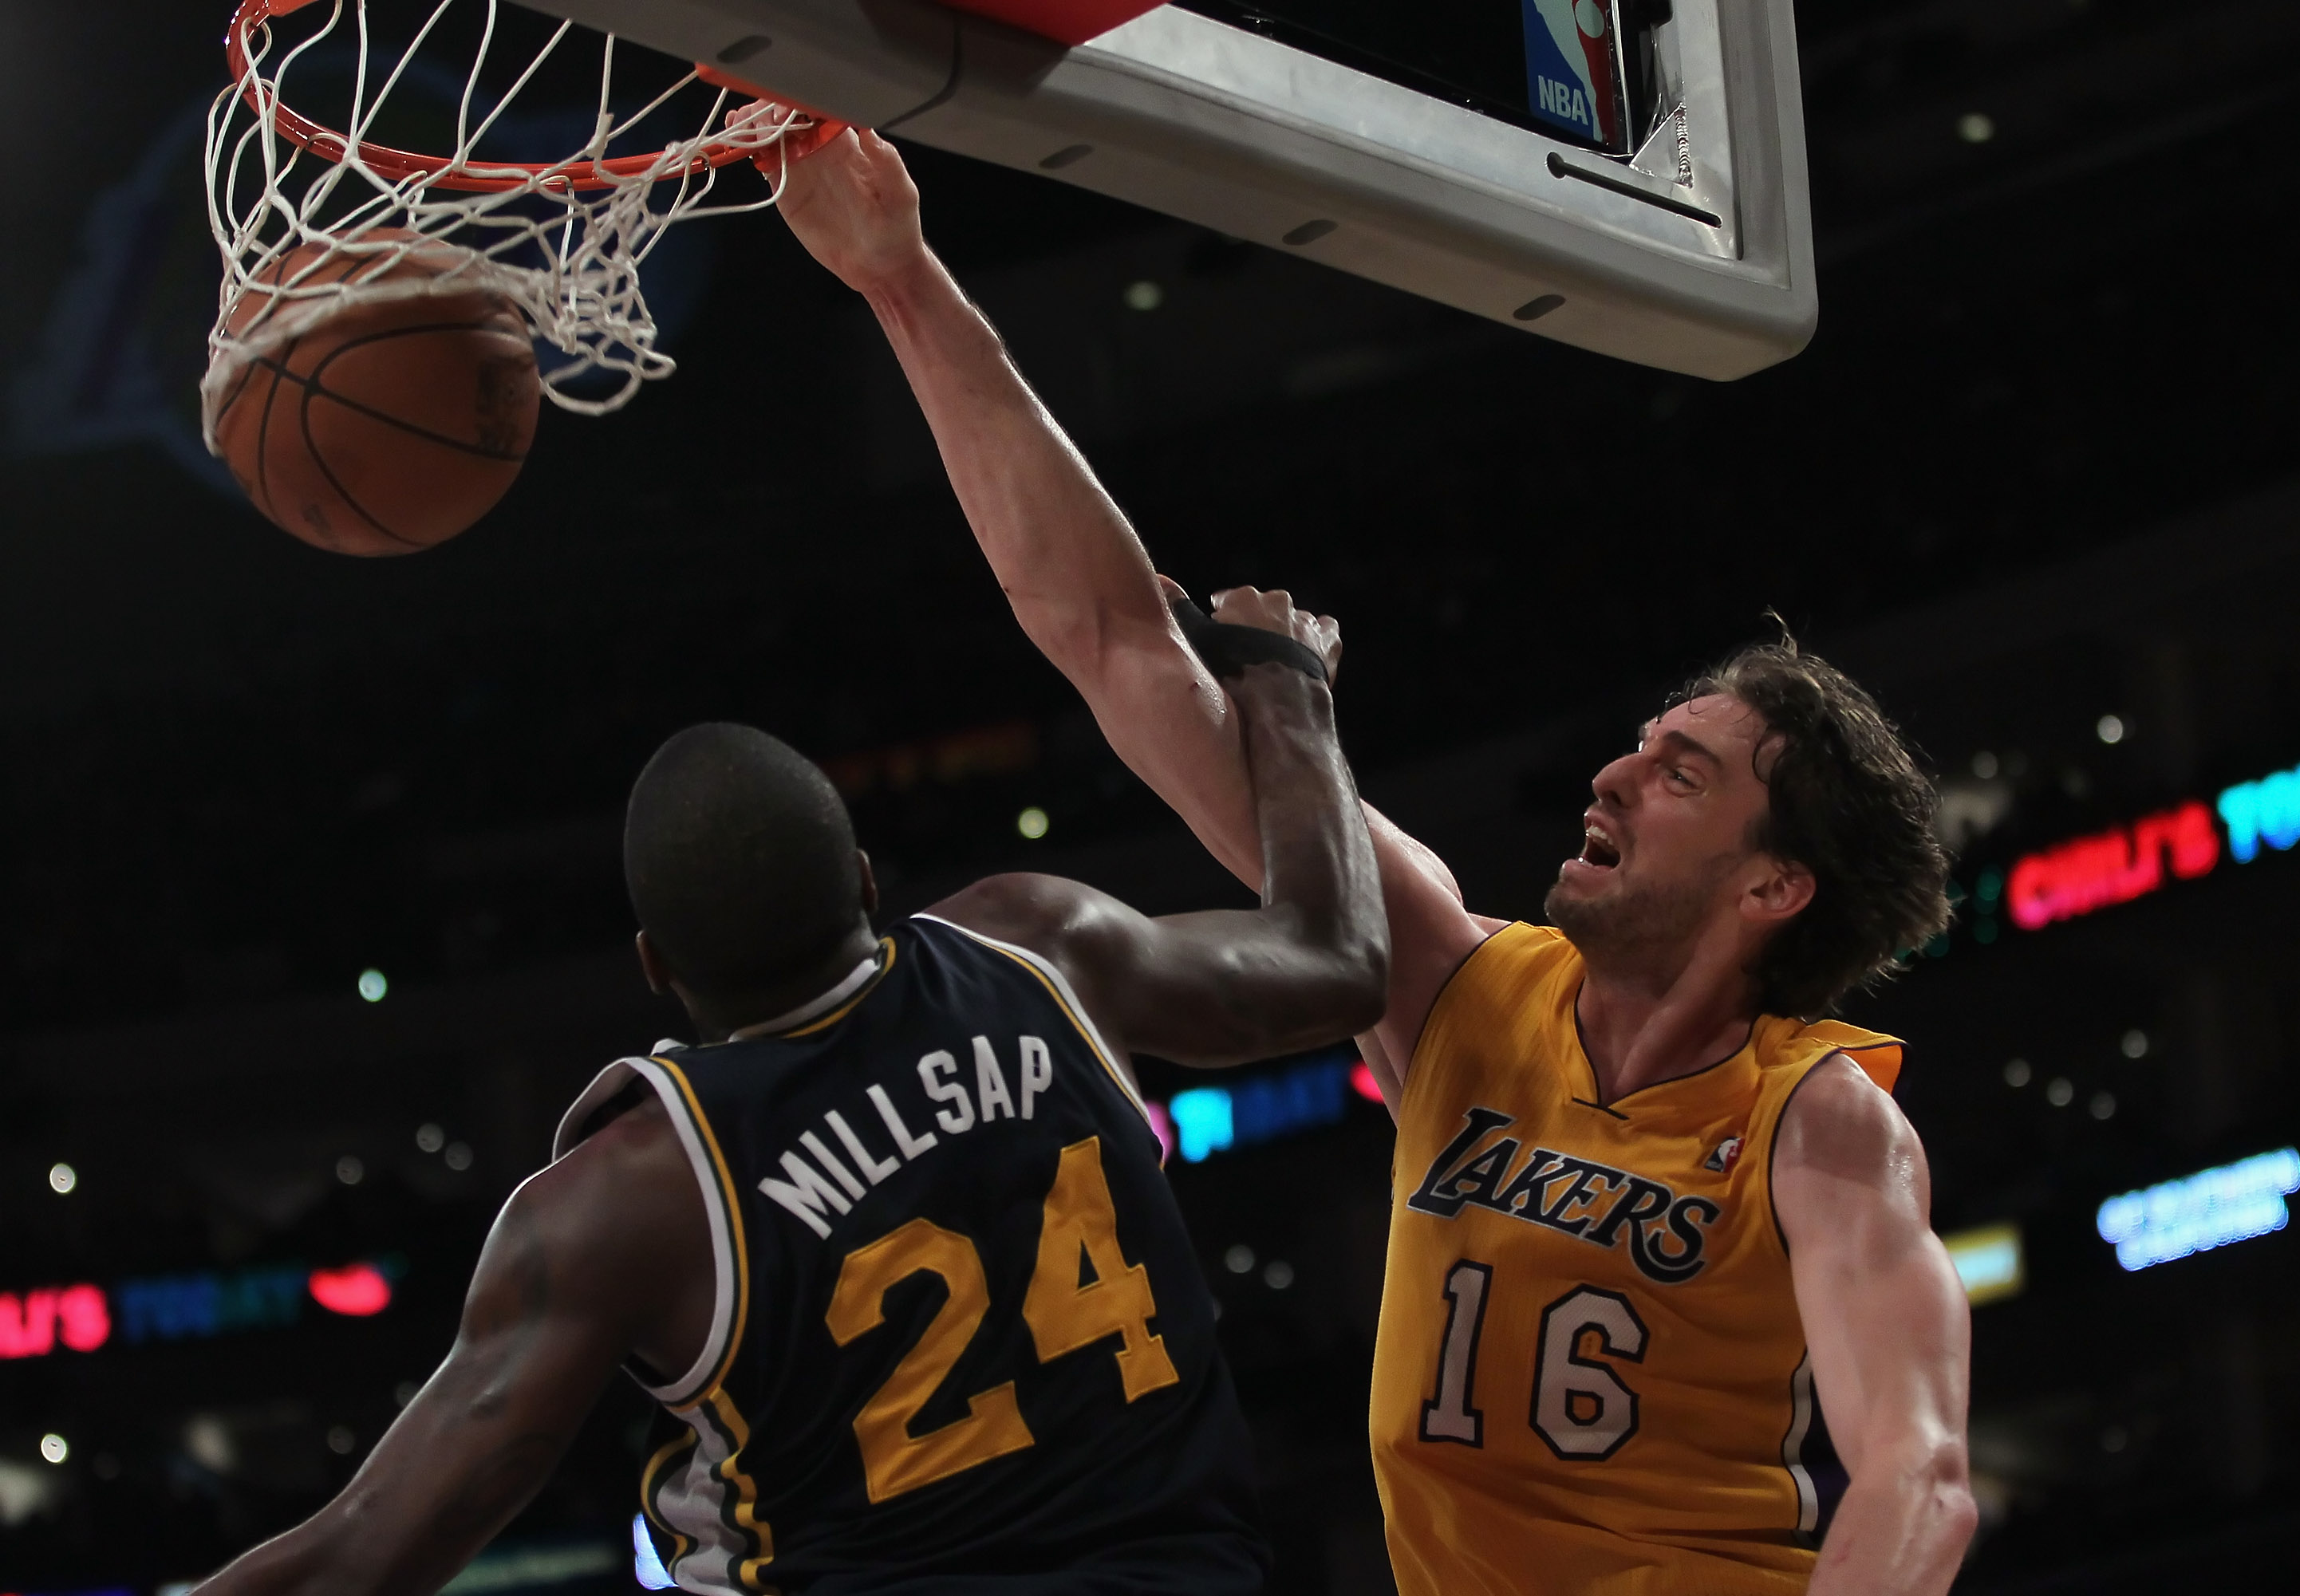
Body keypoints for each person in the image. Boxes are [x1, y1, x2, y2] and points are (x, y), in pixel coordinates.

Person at [764, 127, 1979, 1594]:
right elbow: (1121, 648)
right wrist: (901, 280)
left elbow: (1919, 1478)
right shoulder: (1460, 988)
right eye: (1641, 743)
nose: (1612, 773)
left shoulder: (1819, 1119)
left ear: (1772, 886)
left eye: (1681, 773)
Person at [190, 629, 1387, 1593]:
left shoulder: (629, 1195)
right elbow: (1335, 958)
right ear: (867, 880)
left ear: (657, 965)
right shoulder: (1039, 944)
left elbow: (359, 1554)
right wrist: (1282, 683)